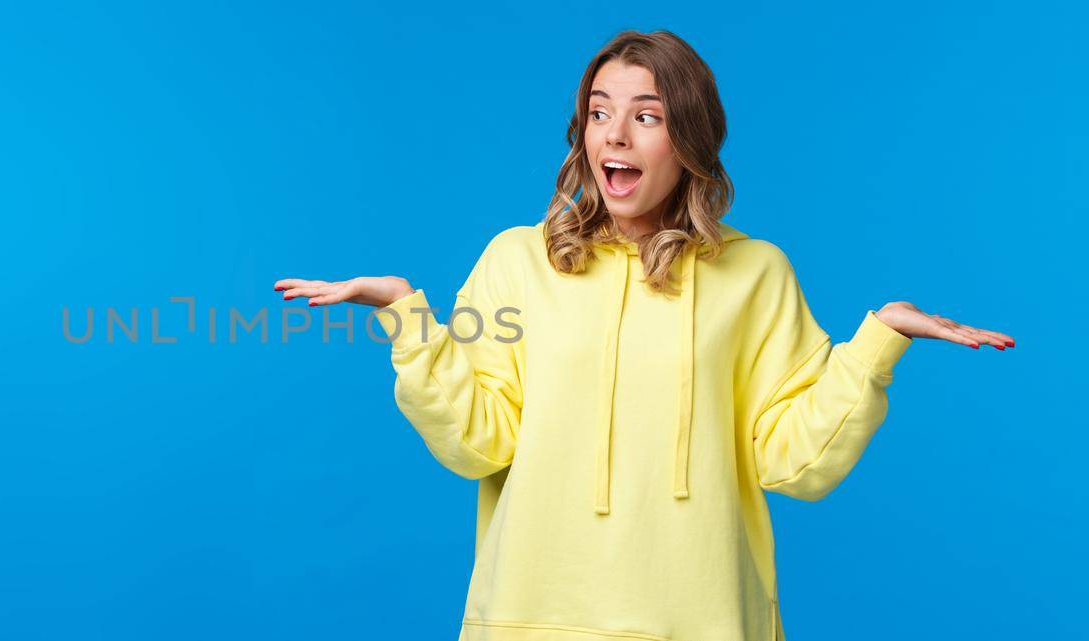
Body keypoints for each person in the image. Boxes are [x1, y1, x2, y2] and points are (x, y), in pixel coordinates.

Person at [273, 29, 1013, 641]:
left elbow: (796, 462)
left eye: (646, 116)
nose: (615, 135)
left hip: (706, 623)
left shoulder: (754, 273)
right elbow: (479, 442)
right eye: (599, 113)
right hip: (531, 620)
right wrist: (407, 317)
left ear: (687, 137)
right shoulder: (515, 260)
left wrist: (878, 342)